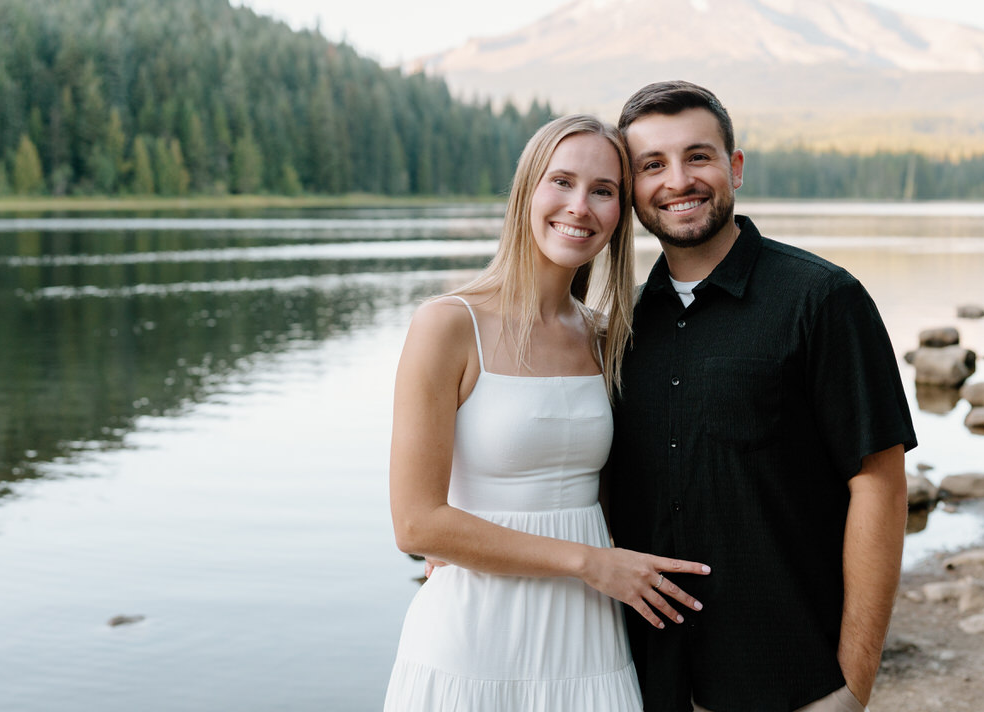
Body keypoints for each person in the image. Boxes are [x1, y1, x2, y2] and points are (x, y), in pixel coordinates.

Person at [384, 113, 711, 712]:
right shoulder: (448, 325)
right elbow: (416, 525)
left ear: (621, 215)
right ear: (526, 192)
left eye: (604, 190)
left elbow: (621, 490)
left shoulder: (606, 338)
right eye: (561, 181)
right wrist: (590, 562)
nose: (580, 207)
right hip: (472, 638)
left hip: (588, 638)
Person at [609, 82, 918, 712]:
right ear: (632, 187)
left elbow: (880, 486)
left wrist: (852, 686)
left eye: (699, 156)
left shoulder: (823, 300)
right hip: (644, 681)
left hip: (791, 681)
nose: (678, 181)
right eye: (652, 165)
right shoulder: (621, 326)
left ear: (735, 168)